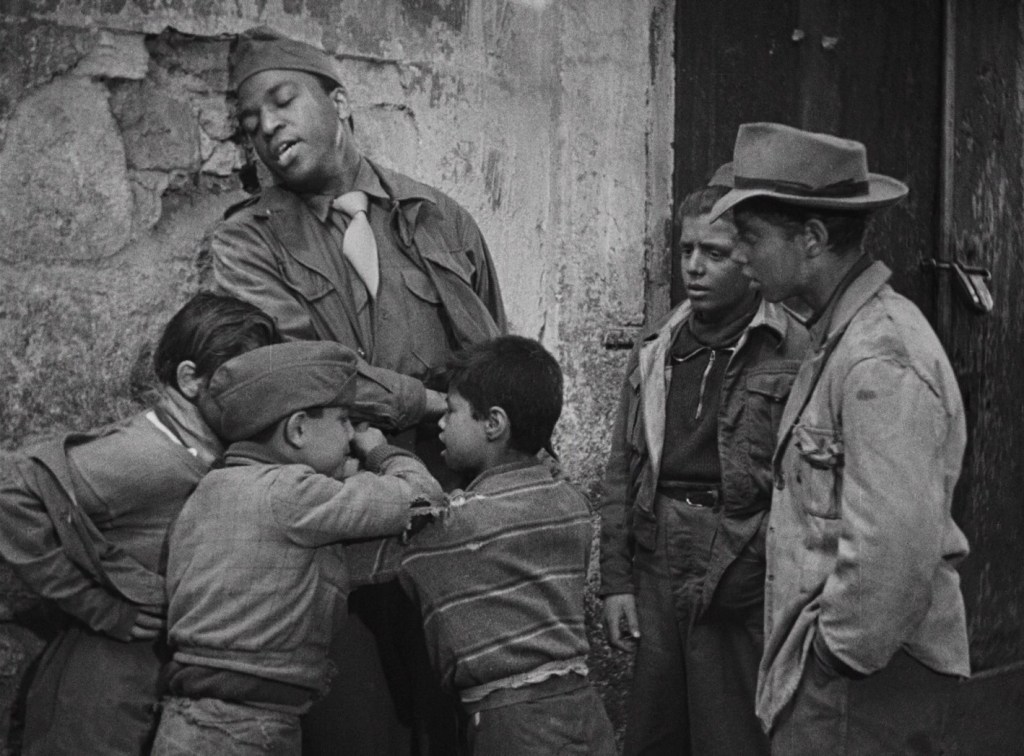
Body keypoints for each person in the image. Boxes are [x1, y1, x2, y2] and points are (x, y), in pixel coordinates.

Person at [207, 27, 507, 752]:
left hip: (448, 507)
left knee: (458, 710)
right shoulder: (246, 242)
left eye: (283, 101)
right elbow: (300, 368)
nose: (267, 127)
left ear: (339, 101)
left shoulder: (440, 218)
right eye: (250, 121)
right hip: (332, 511)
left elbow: (497, 356)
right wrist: (425, 401)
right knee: (356, 723)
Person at [708, 122, 971, 754]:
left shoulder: (879, 357)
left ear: (813, 239)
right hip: (846, 672)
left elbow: (894, 549)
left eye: (750, 237)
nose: (737, 255)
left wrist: (834, 656)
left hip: (865, 681)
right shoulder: (838, 336)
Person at [0, 293, 280, 755]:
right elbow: (9, 492)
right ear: (190, 379)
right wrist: (98, 604)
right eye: (244, 380)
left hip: (146, 693)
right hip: (99, 702)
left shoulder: (203, 449)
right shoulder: (148, 455)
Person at [597, 171, 809, 755]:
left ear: (750, 260)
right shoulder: (656, 347)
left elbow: (807, 483)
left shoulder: (793, 348)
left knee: (731, 731)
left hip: (740, 553)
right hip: (659, 551)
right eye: (687, 250)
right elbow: (621, 468)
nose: (694, 267)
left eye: (714, 253)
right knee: (654, 730)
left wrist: (762, 558)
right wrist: (616, 581)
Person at [151, 341, 444, 756]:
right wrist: (378, 450)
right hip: (244, 732)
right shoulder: (293, 493)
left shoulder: (209, 490)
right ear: (298, 429)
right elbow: (422, 499)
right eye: (343, 420)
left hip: (190, 723)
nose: (350, 434)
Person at [352, 335, 616, 755]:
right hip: (584, 712)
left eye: (451, 411)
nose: (441, 423)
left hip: (512, 725)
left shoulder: (458, 525)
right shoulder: (571, 502)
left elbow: (416, 502)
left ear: (493, 423)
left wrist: (380, 452)